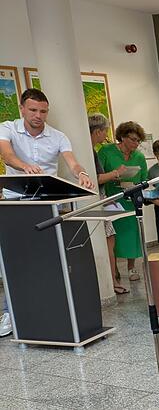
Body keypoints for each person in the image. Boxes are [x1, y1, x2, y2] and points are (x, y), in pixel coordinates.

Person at [0, 88, 96, 335]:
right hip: (16, 204)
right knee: (16, 260)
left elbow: (72, 162)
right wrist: (25, 167)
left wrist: (81, 173)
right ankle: (11, 314)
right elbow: (7, 155)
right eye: (33, 110)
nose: (38, 115)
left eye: (43, 111)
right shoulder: (8, 128)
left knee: (50, 258)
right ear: (21, 108)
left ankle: (53, 308)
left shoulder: (58, 136)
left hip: (48, 203)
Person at [97, 121, 148, 282]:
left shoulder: (139, 156)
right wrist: (115, 176)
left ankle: (131, 267)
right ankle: (115, 269)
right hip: (111, 198)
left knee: (132, 233)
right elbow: (98, 174)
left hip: (130, 199)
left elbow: (144, 178)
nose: (136, 143)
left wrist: (134, 184)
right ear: (123, 137)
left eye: (138, 141)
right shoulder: (106, 151)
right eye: (133, 139)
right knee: (113, 234)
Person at [87, 113, 129, 294]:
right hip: (97, 204)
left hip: (101, 202)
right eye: (105, 131)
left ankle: (111, 282)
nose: (106, 136)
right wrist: (116, 173)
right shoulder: (90, 151)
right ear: (98, 131)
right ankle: (111, 283)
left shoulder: (91, 150)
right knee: (108, 243)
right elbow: (95, 178)